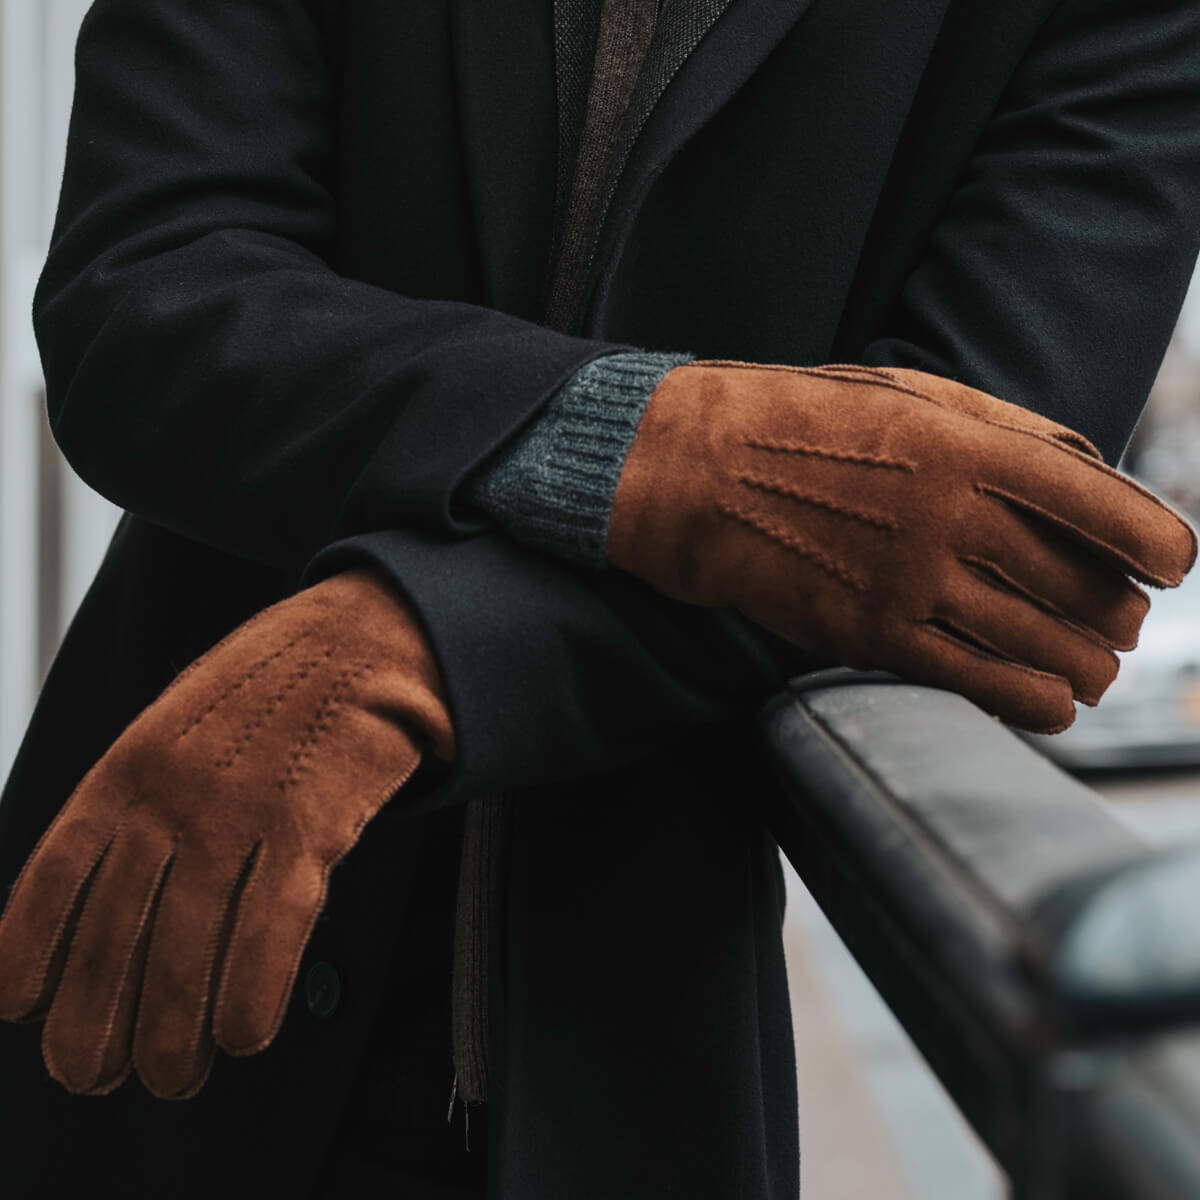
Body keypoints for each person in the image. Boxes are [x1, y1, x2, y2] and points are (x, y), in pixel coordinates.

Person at [0, 0, 1197, 1196]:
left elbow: (975, 526)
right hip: (151, 932)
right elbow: (144, 297)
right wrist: (655, 452)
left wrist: (418, 638)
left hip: (619, 1049)